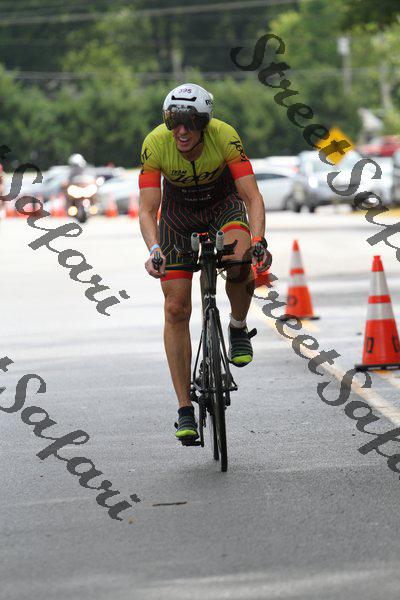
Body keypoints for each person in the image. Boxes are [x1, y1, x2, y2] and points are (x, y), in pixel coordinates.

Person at [139, 83, 271, 441]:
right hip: (178, 217)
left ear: (205, 123)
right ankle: (184, 408)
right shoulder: (155, 143)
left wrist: (258, 240)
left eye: (190, 122)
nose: (181, 131)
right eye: (174, 122)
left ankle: (238, 326)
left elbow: (252, 197)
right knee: (175, 308)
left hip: (222, 206)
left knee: (241, 259)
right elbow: (148, 209)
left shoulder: (225, 136)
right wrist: (154, 249)